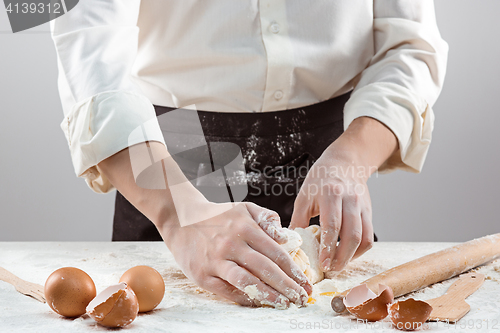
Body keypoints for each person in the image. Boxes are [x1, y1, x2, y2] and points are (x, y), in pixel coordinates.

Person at [50, 0, 448, 308]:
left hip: (326, 152)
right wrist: (178, 215)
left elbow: (411, 45)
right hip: (171, 157)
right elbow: (88, 48)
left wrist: (352, 157)